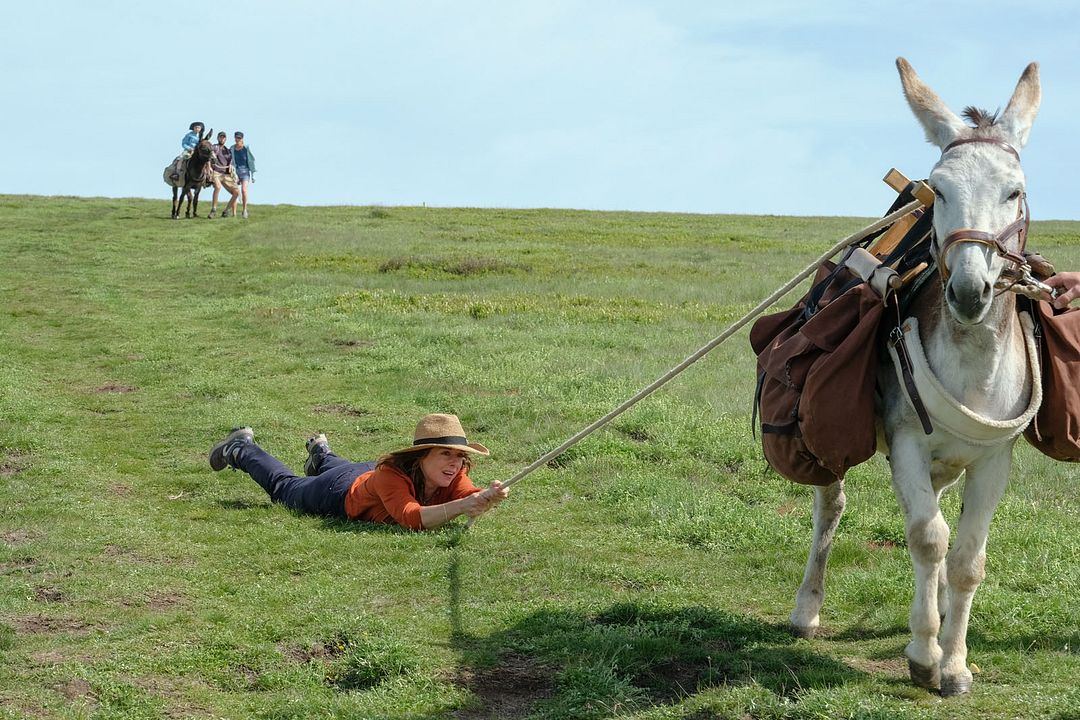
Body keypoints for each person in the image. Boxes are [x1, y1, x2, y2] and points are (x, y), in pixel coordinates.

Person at [208, 413, 509, 530]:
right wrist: (463, 505)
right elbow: (410, 517)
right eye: (445, 454)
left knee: (347, 469)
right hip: (339, 492)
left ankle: (321, 454)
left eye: (459, 456)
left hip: (365, 475)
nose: (455, 463)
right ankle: (241, 448)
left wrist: (489, 496)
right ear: (420, 457)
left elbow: (470, 495)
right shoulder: (392, 474)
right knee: (285, 489)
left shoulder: (451, 473)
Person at [207, 131, 240, 218]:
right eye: (221, 137)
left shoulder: (227, 151)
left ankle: (226, 211)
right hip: (216, 172)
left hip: (225, 174)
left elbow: (231, 163)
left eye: (224, 137)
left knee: (236, 192)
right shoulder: (214, 147)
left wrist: (234, 174)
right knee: (218, 187)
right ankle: (213, 210)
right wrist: (209, 167)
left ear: (225, 139)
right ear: (218, 138)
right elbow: (208, 157)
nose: (222, 139)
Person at [231, 131, 256, 219]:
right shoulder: (232, 148)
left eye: (239, 138)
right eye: (236, 138)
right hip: (235, 172)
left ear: (242, 139)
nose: (237, 140)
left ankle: (244, 210)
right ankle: (233, 214)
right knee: (235, 192)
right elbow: (231, 162)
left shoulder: (246, 148)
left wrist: (253, 174)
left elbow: (251, 161)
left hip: (245, 172)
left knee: (244, 190)